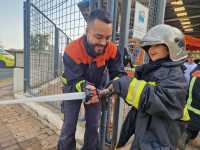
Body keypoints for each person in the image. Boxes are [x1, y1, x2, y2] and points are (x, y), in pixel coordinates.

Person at [107, 24, 189, 150]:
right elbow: (140, 102)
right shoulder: (151, 72)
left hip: (160, 142)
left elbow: (154, 98)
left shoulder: (176, 77)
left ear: (171, 48)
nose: (151, 49)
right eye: (149, 46)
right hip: (147, 139)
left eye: (157, 45)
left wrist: (125, 85)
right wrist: (117, 87)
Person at [57, 9, 126, 150]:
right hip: (73, 88)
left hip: (96, 90)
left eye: (107, 38)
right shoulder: (72, 50)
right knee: (69, 127)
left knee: (93, 126)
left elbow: (119, 72)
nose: (103, 43)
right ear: (87, 30)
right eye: (98, 36)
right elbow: (73, 79)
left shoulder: (111, 49)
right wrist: (85, 88)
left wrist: (113, 86)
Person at [178, 61, 200, 150]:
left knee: (191, 128)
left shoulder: (195, 70)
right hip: (197, 106)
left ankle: (185, 136)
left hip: (191, 106)